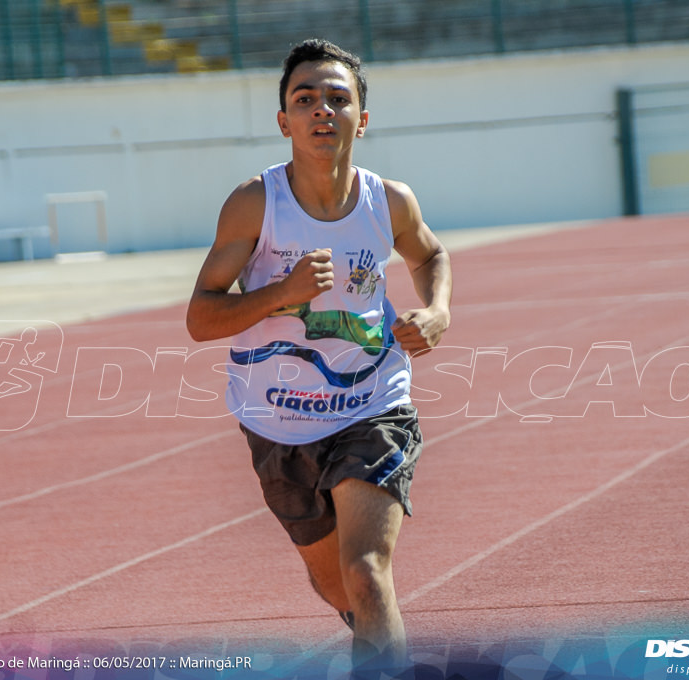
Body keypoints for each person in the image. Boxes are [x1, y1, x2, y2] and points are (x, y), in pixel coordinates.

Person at [186, 38, 452, 671]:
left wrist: (438, 309)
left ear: (363, 117)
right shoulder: (256, 203)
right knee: (340, 589)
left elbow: (430, 254)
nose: (322, 111)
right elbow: (201, 317)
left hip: (371, 402)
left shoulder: (388, 201)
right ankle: (371, 632)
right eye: (305, 100)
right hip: (275, 421)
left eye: (339, 99)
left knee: (366, 573)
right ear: (284, 121)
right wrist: (282, 293)